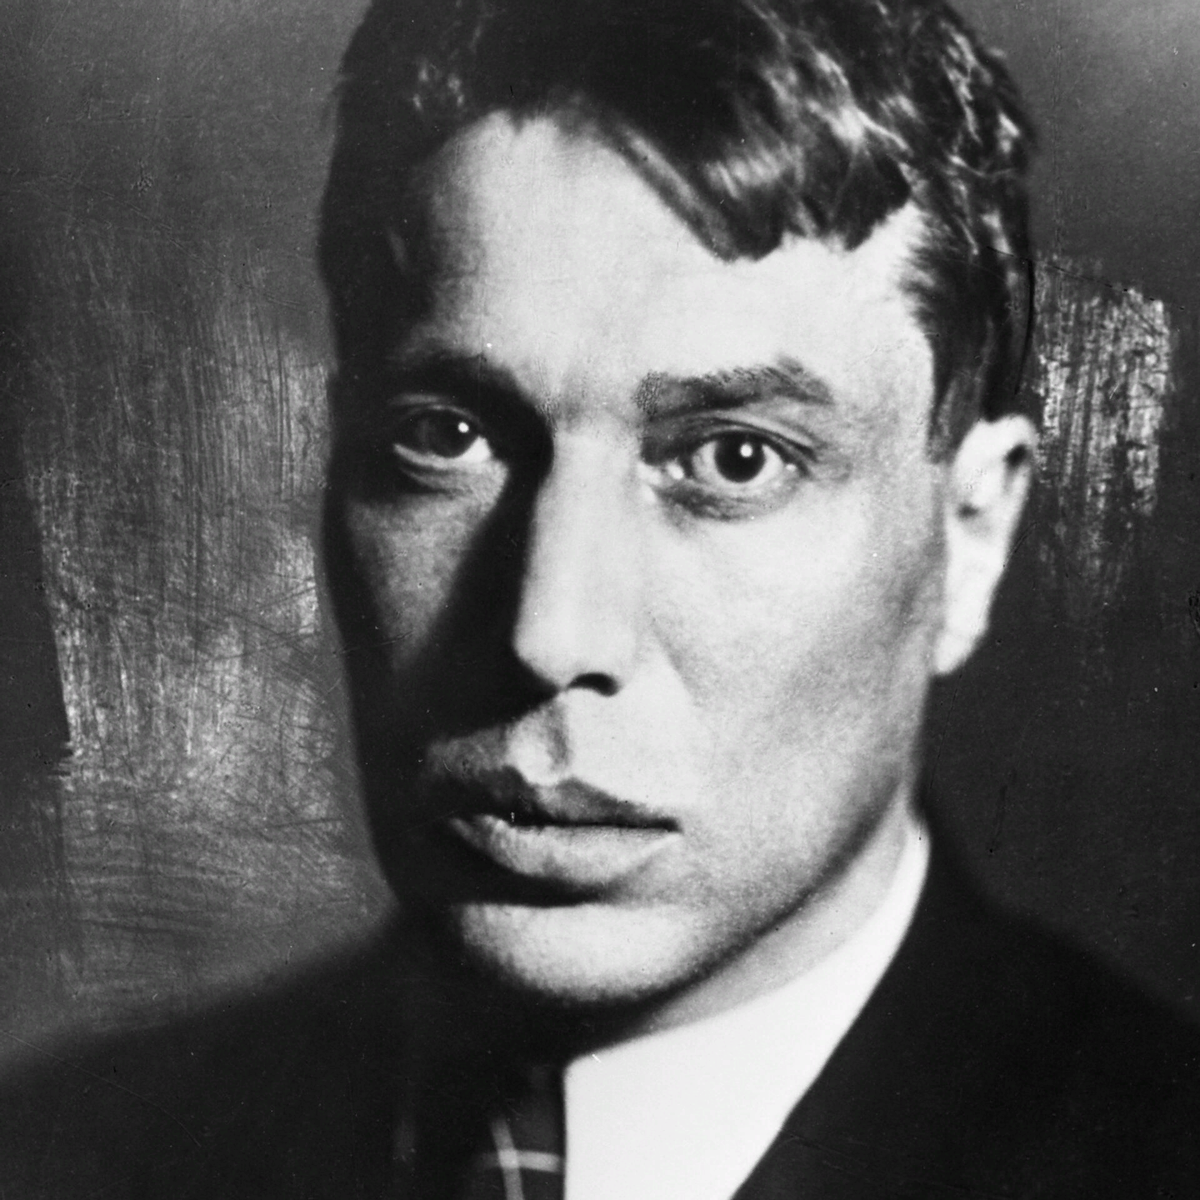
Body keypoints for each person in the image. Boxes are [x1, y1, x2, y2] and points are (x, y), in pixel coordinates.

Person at [3, 0, 1199, 1196]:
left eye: (734, 458)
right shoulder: (66, 1149)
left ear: (971, 535)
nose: (548, 632)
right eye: (446, 436)